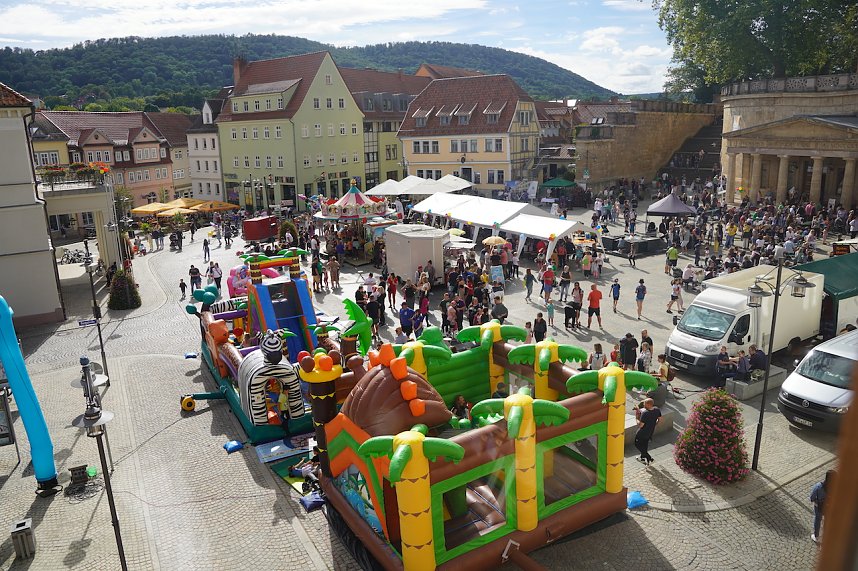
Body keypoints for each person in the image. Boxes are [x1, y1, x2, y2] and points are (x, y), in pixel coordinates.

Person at [634, 398, 661, 466]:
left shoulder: (645, 413)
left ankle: (650, 458)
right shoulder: (657, 410)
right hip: (650, 432)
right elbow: (660, 419)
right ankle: (642, 458)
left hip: (641, 433)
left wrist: (637, 418)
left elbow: (641, 425)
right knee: (645, 444)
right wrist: (653, 425)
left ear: (648, 404)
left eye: (644, 404)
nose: (643, 405)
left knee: (637, 444)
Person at [810, 470, 835, 543]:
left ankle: (816, 536)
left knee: (818, 520)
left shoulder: (819, 486)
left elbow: (812, 497)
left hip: (819, 507)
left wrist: (815, 501)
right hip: (829, 507)